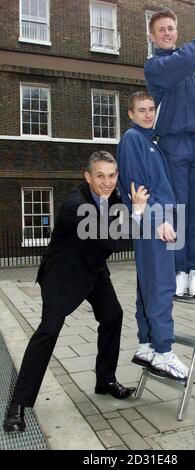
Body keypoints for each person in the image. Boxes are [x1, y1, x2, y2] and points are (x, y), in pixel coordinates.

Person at [3, 150, 149, 433]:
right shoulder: (75, 205)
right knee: (48, 332)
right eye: (100, 176)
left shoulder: (115, 196)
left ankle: (104, 380)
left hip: (94, 271)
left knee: (112, 316)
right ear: (87, 176)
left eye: (112, 175)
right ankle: (18, 405)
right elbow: (114, 242)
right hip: (64, 275)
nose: (107, 182)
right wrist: (138, 213)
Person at [144, 9, 195, 298]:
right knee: (176, 211)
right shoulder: (156, 66)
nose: (167, 33)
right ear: (153, 36)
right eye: (162, 29)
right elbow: (185, 60)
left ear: (177, 32)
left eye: (171, 29)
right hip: (174, 144)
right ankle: (178, 271)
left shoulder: (189, 65)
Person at [117, 91, 189, 382]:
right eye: (141, 110)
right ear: (131, 115)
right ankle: (164, 353)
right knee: (160, 287)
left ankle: (146, 346)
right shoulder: (134, 140)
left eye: (151, 109)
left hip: (154, 223)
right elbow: (136, 188)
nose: (148, 114)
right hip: (153, 224)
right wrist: (158, 221)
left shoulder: (150, 142)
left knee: (148, 287)